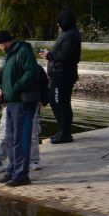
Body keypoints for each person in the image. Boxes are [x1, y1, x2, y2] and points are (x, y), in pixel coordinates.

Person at [0, 30, 41, 187]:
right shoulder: (9, 55)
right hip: (11, 102)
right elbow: (5, 76)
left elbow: (31, 72)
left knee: (21, 140)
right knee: (11, 139)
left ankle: (21, 175)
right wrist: (1, 88)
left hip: (22, 103)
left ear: (5, 42)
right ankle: (12, 170)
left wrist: (16, 87)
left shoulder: (23, 51)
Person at [39, 9, 81, 144]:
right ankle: (63, 131)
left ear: (65, 21)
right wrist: (49, 54)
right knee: (56, 102)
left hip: (63, 75)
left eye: (59, 22)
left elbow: (65, 55)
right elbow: (61, 51)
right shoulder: (68, 34)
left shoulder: (71, 35)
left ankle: (65, 134)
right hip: (59, 74)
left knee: (60, 103)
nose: (58, 25)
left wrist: (49, 55)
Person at [0, 68, 41, 171]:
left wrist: (43, 99)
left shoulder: (35, 67)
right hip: (10, 103)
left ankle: (34, 160)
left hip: (30, 104)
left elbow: (43, 83)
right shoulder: (7, 66)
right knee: (5, 132)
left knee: (32, 133)